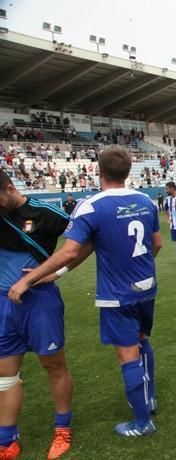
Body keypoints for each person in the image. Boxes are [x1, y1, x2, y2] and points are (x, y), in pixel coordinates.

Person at [8, 146, 162, 437]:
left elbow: (69, 252)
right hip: (147, 287)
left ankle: (142, 423)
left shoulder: (90, 206)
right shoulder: (146, 201)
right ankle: (149, 398)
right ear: (128, 172)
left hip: (118, 294)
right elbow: (156, 245)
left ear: (99, 171)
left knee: (127, 354)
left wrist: (33, 278)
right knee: (142, 341)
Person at [0, 170, 76, 459]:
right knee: (4, 376)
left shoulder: (45, 213)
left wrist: (57, 272)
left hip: (40, 303)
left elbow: (84, 241)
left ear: (9, 188)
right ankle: (6, 441)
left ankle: (62, 429)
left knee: (54, 366)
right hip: (4, 305)